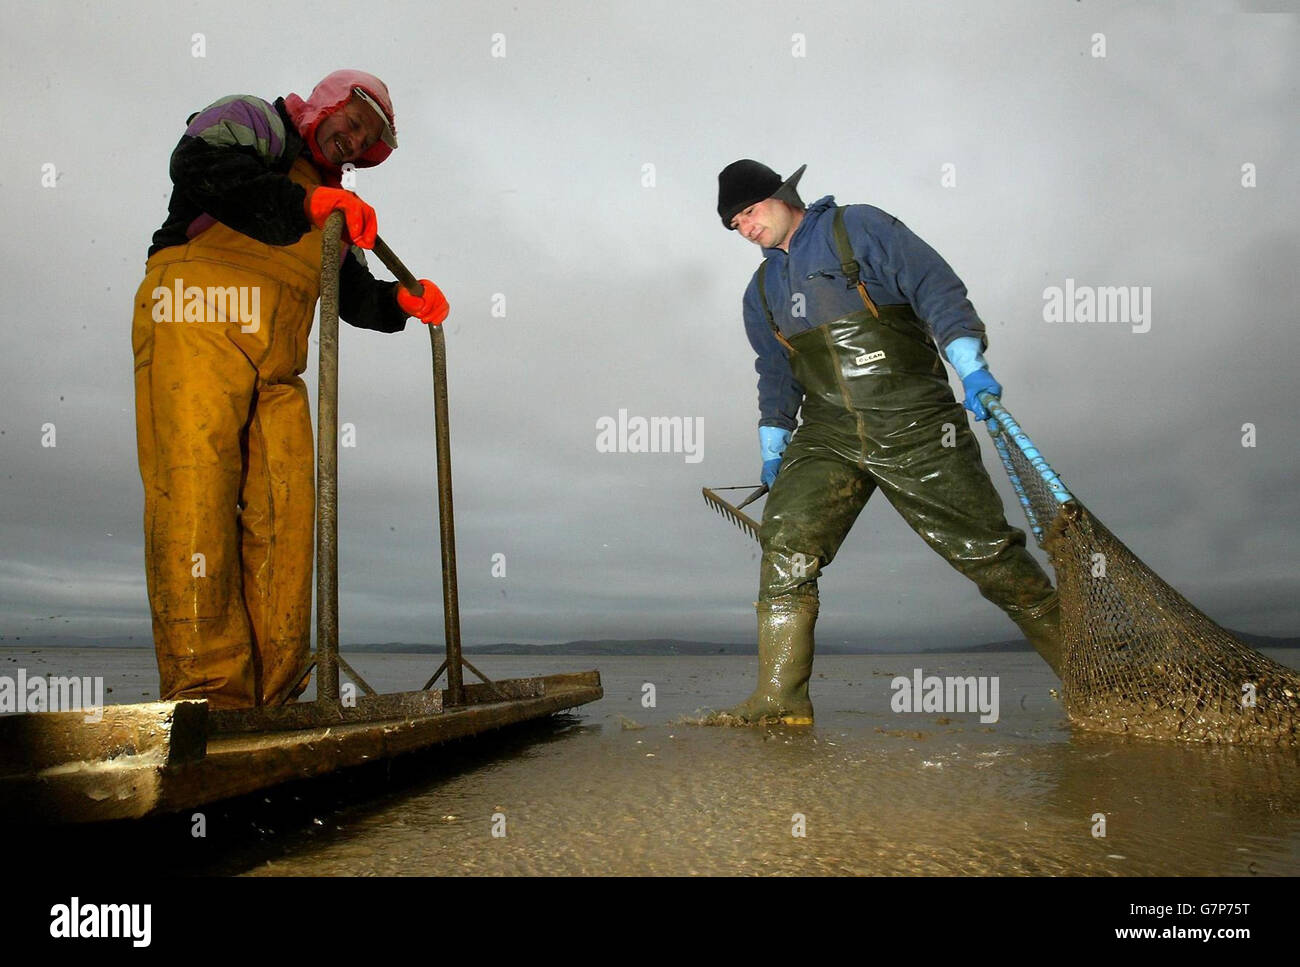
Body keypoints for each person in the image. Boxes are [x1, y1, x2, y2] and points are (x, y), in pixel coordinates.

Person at [131, 70, 450, 709]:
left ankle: (273, 701)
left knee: (287, 510)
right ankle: (208, 701)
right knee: (197, 494)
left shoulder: (334, 207)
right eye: (352, 121)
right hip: (195, 320)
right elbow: (198, 167)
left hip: (279, 365)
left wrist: (402, 302)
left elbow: (352, 296)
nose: (353, 140)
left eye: (367, 140)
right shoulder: (255, 123)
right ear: (328, 104)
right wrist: (300, 206)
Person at [713, 159, 1062, 726]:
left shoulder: (858, 227)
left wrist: (967, 357)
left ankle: (1097, 680)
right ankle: (780, 704)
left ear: (784, 196)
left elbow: (934, 285)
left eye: (750, 212)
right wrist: (774, 439)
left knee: (988, 554)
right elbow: (775, 369)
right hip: (827, 432)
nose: (745, 228)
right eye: (735, 225)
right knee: (785, 546)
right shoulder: (761, 290)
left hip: (914, 419)